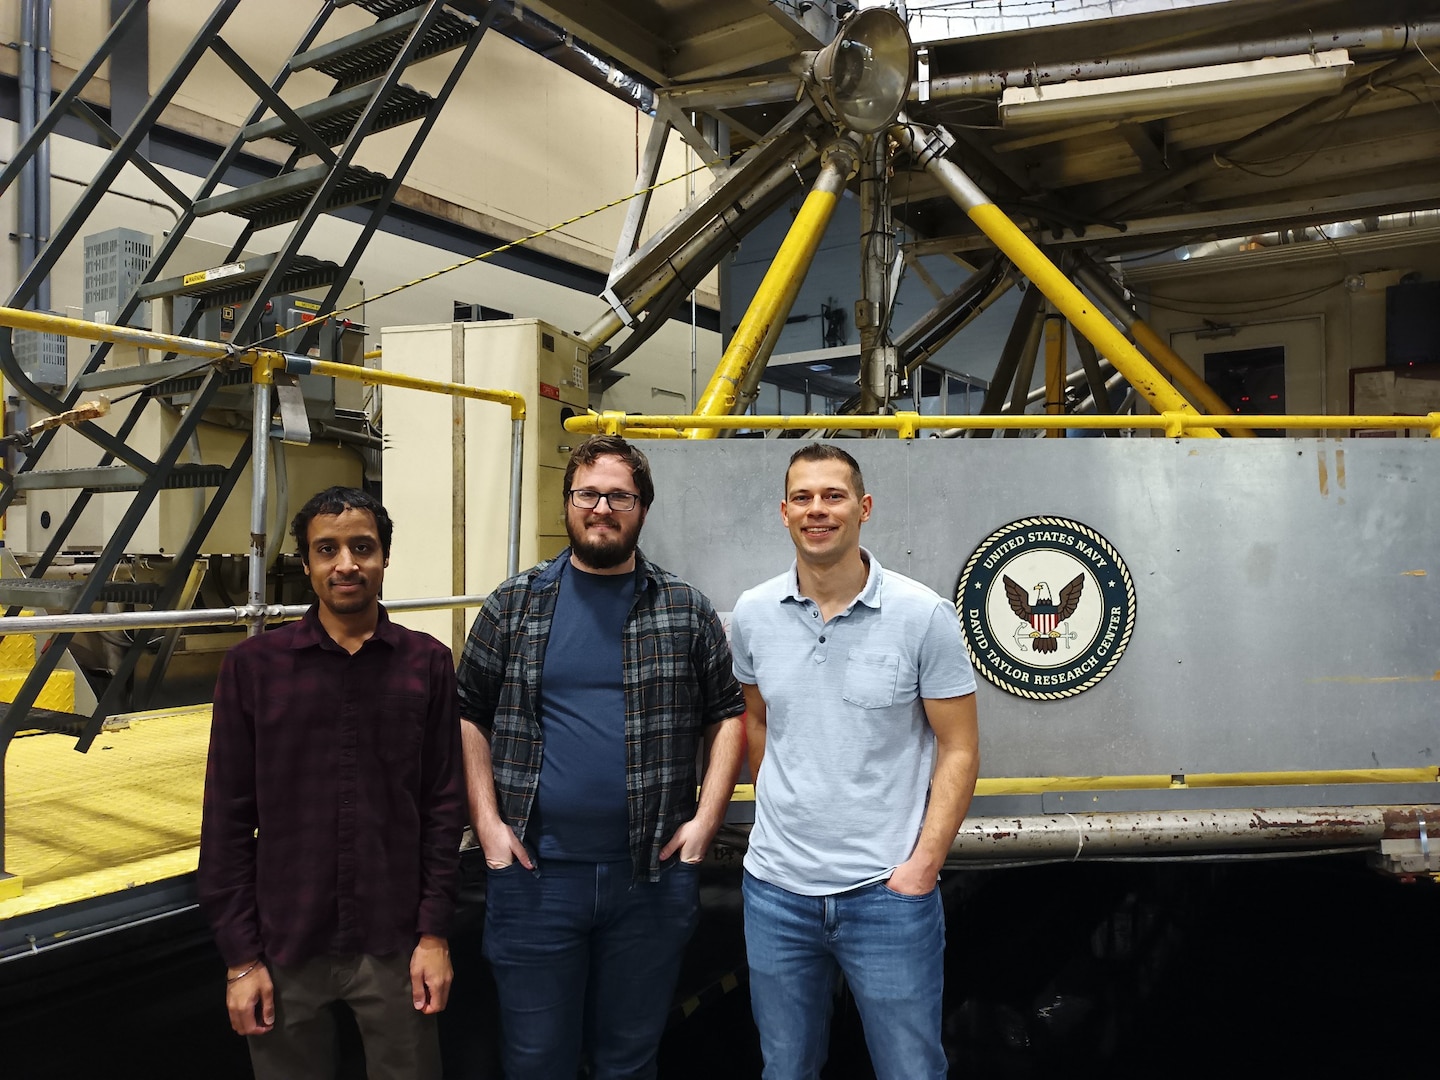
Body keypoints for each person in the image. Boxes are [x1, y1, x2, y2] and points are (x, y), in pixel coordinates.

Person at [457, 434, 745, 1080]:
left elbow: (726, 715)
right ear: (568, 503)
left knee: (629, 1060)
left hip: (648, 881)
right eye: (588, 493)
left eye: (620, 496)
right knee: (536, 1063)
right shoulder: (514, 605)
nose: (602, 508)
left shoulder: (683, 611)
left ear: (642, 508)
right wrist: (489, 827)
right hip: (535, 879)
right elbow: (467, 712)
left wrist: (704, 823)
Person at [730, 443, 980, 1080]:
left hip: (887, 896)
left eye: (833, 496)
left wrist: (923, 867)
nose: (819, 511)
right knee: (785, 1069)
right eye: (804, 498)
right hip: (776, 892)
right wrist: (778, 814)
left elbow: (959, 748)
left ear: (863, 508)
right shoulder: (754, 615)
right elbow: (757, 720)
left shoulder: (924, 617)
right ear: (783, 513)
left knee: (911, 1070)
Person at [198, 486, 465, 1080]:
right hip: (284, 940)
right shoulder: (254, 669)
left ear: (384, 557)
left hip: (396, 943)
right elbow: (227, 819)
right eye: (328, 549)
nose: (346, 564)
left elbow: (444, 807)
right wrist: (240, 960)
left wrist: (434, 936)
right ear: (307, 563)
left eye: (362, 547)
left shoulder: (427, 663)